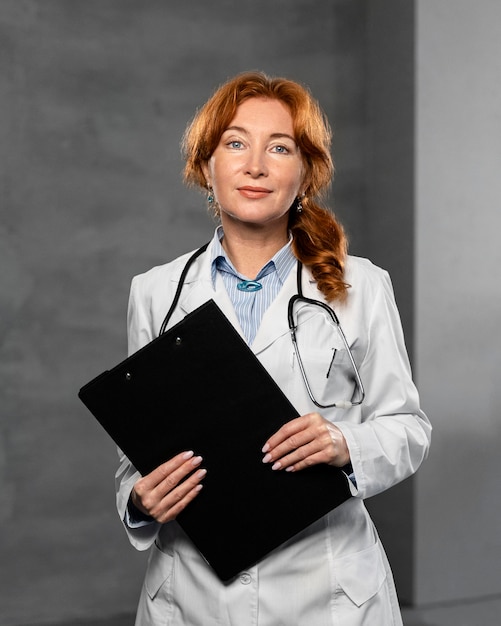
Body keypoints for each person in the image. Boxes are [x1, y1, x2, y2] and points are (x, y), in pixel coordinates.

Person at [115, 71, 431, 626]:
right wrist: (140, 503)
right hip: (190, 593)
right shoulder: (156, 292)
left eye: (279, 147)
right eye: (235, 143)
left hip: (328, 589)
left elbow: (407, 428)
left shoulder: (362, 286)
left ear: (305, 173)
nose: (255, 164)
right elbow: (136, 454)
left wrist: (344, 443)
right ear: (205, 167)